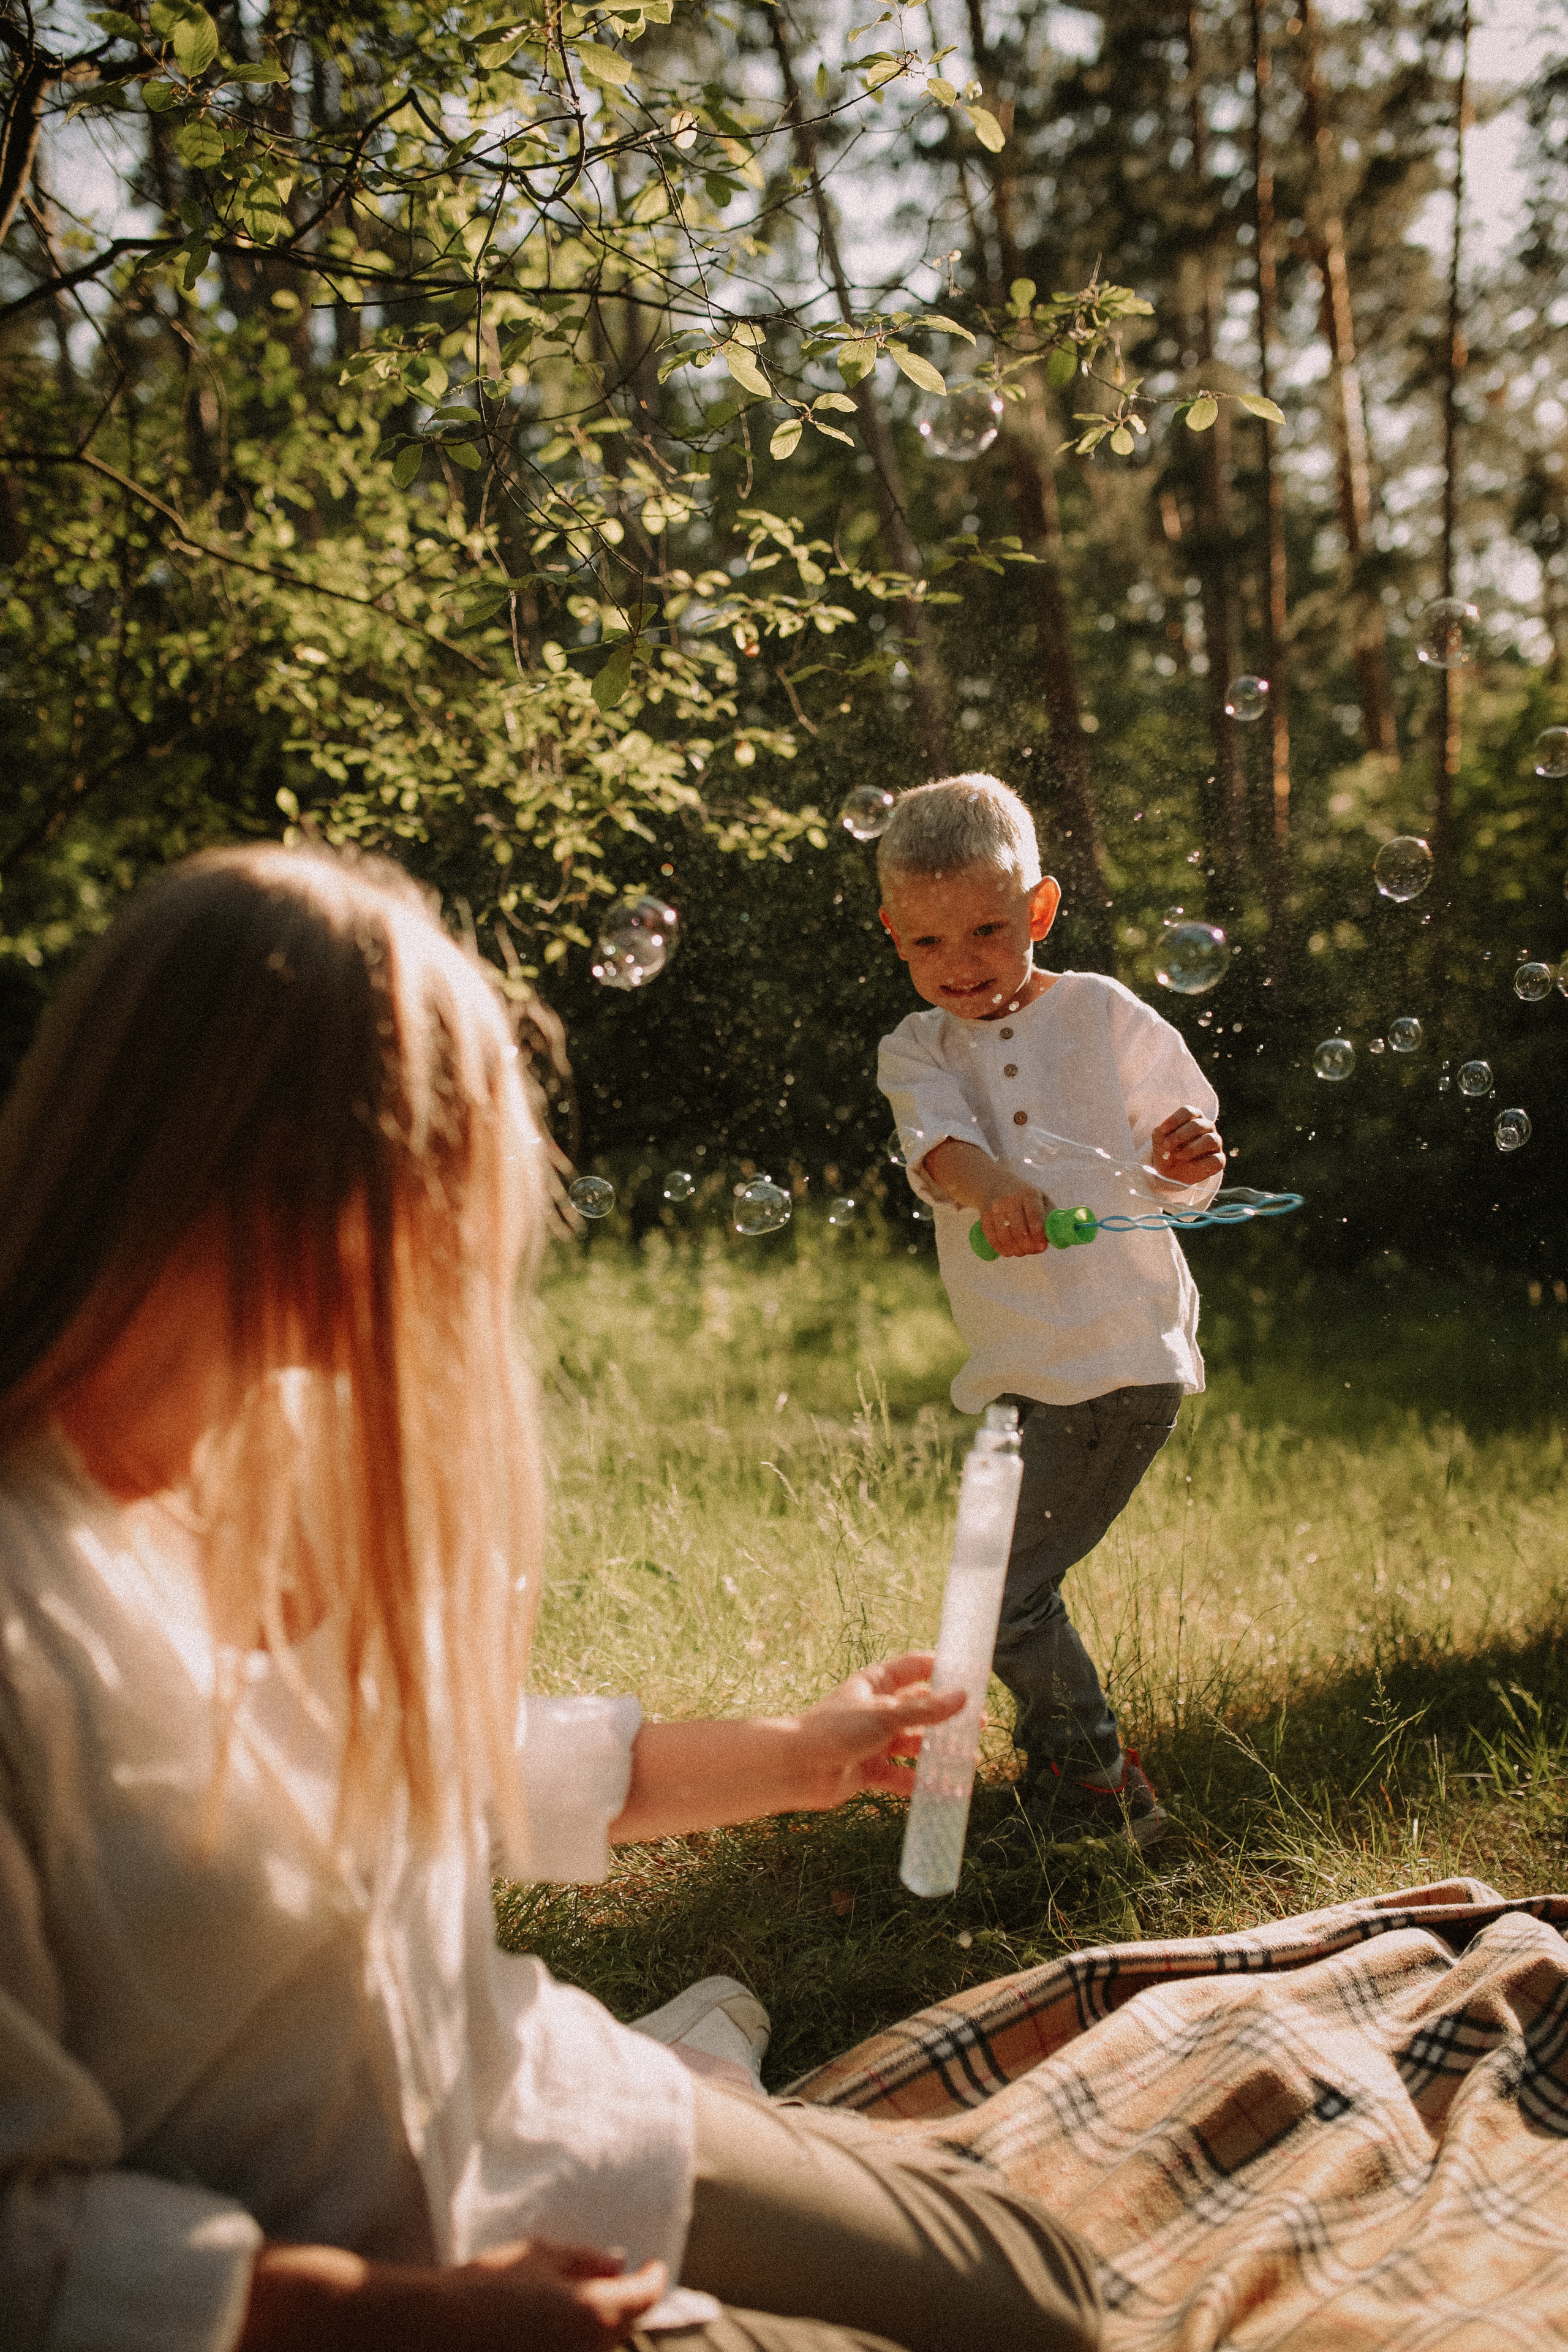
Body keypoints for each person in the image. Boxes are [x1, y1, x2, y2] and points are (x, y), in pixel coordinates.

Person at [0, 843, 1102, 2352]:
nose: (456, 1274)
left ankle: (688, 2086)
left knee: (1039, 2290)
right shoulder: (27, 1598)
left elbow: (451, 1764)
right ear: (277, 1173)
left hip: (510, 2103)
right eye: (439, 1195)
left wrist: (800, 1751)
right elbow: (26, 2241)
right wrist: (400, 2317)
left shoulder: (277, 1437)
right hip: (295, 2274)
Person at [876, 777, 1226, 1847]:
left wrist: (1183, 1157)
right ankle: (1073, 1775)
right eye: (929, 942)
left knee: (1008, 1594)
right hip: (1025, 1364)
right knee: (994, 1589)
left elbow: (1185, 1157)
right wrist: (994, 1190)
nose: (961, 963)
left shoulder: (1104, 1014)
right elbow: (941, 1152)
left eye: (988, 929)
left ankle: (1100, 1792)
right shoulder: (918, 1050)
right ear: (893, 936)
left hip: (1121, 1358)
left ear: (1039, 909)